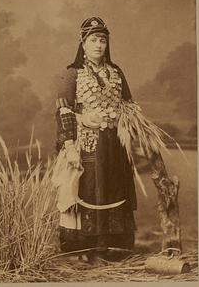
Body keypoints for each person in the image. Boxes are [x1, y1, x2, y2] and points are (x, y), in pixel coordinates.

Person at [54, 17, 139, 261]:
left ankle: (111, 248)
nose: (99, 45)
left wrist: (129, 128)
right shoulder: (73, 74)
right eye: (93, 40)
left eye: (103, 40)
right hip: (87, 143)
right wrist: (70, 145)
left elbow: (129, 106)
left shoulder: (116, 72)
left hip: (114, 144)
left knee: (114, 189)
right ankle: (87, 250)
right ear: (83, 43)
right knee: (90, 191)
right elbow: (64, 111)